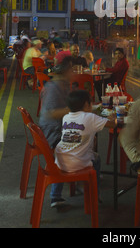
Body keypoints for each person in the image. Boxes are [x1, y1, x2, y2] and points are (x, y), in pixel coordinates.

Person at [54, 90, 116, 203]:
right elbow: (112, 124)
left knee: (65, 156)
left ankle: (55, 196)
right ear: (87, 105)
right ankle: (94, 195)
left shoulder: (66, 117)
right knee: (96, 159)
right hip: (78, 163)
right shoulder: (91, 117)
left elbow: (76, 135)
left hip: (60, 162)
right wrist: (113, 117)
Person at [38, 56, 74, 207]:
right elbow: (52, 113)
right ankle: (56, 195)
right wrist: (74, 109)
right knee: (89, 150)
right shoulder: (54, 88)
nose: (73, 72)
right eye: (71, 69)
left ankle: (77, 177)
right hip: (53, 133)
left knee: (87, 138)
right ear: (65, 71)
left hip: (55, 129)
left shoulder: (61, 85)